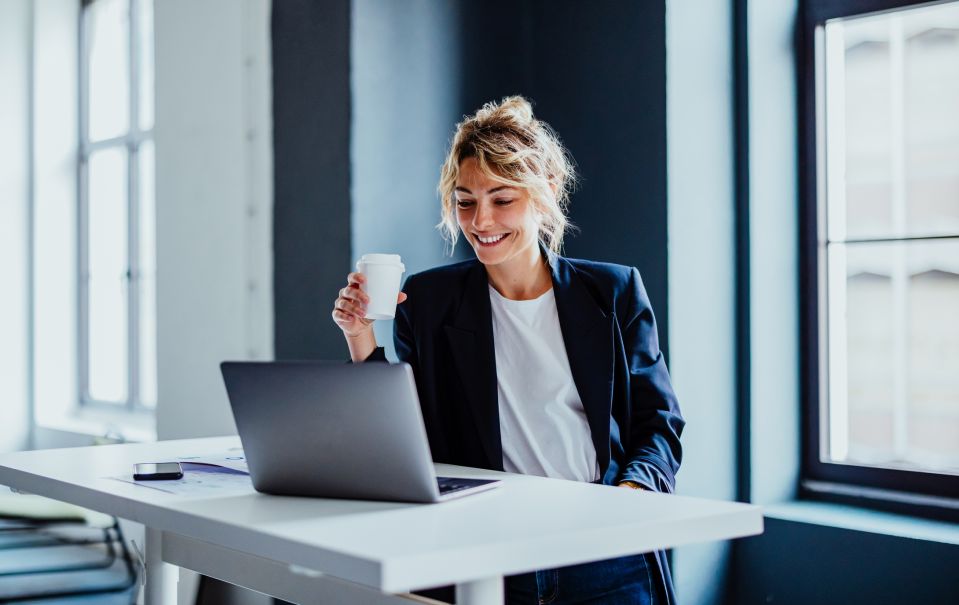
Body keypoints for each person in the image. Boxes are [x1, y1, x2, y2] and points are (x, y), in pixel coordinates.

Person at [332, 96, 684, 605]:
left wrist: (625, 502)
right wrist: (360, 335)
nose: (481, 221)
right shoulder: (428, 303)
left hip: (605, 556)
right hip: (484, 553)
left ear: (546, 194)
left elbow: (659, 426)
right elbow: (398, 442)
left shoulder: (613, 292)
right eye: (466, 200)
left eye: (502, 199)